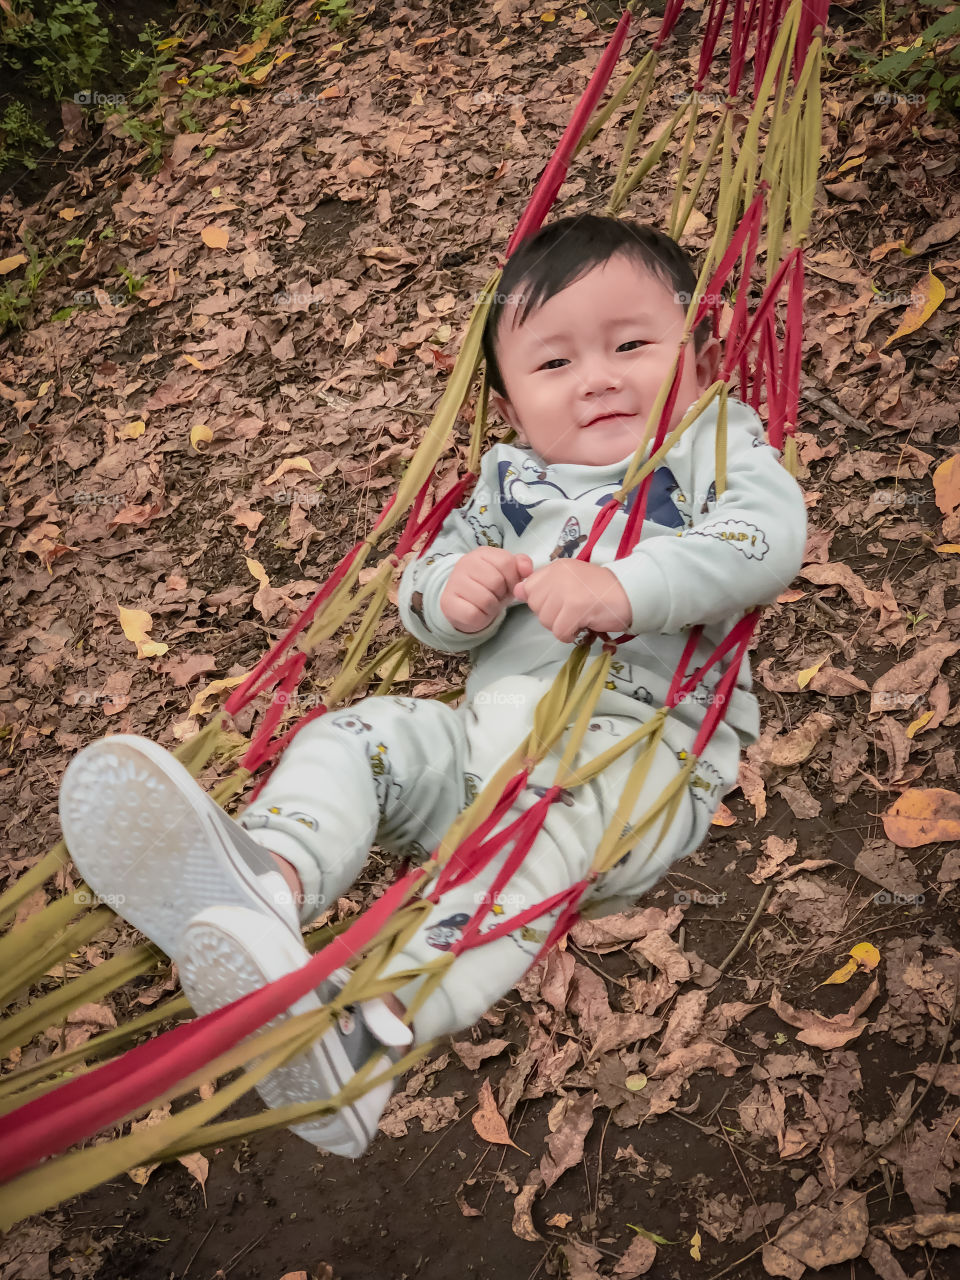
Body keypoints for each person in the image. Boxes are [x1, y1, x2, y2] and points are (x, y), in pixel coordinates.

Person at [59, 214, 808, 1160]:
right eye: (555, 364)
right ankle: (272, 876)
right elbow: (424, 586)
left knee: (516, 858)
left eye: (631, 345)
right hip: (476, 749)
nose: (599, 377)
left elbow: (764, 542)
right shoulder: (506, 484)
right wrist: (451, 600)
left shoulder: (714, 447)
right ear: (507, 405)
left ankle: (366, 1038)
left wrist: (625, 586)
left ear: (701, 357)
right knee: (352, 737)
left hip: (629, 766)